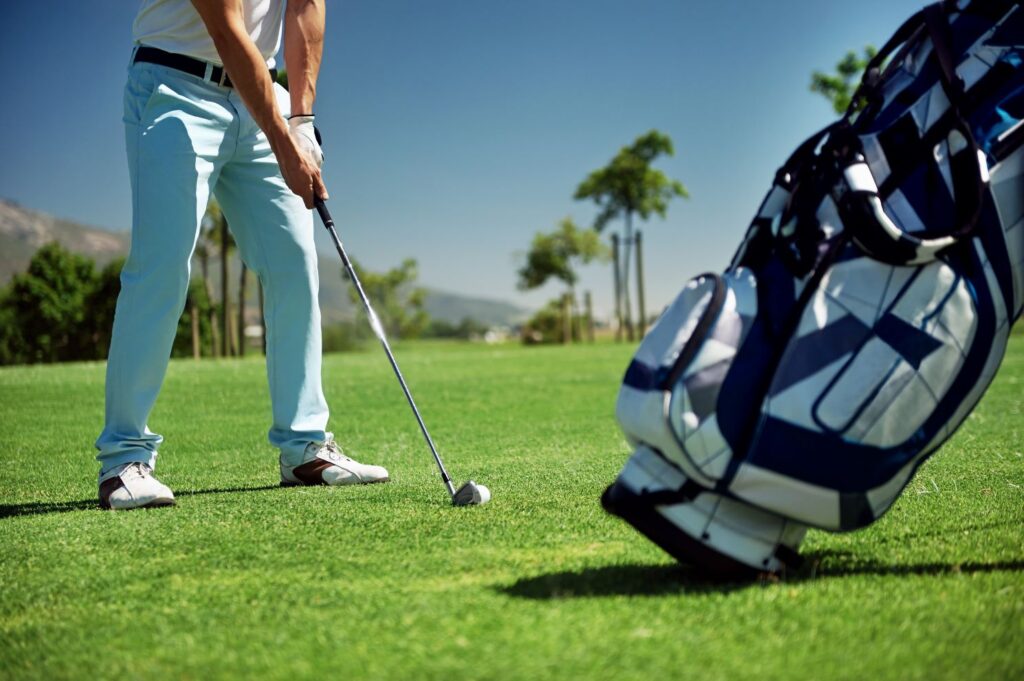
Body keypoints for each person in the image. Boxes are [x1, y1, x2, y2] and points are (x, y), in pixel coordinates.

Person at [95, 0, 389, 510]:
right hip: (175, 84)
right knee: (161, 267)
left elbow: (305, 7)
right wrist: (284, 142)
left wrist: (301, 119)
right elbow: (227, 28)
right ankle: (123, 458)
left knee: (295, 266)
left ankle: (304, 449)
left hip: (262, 97)